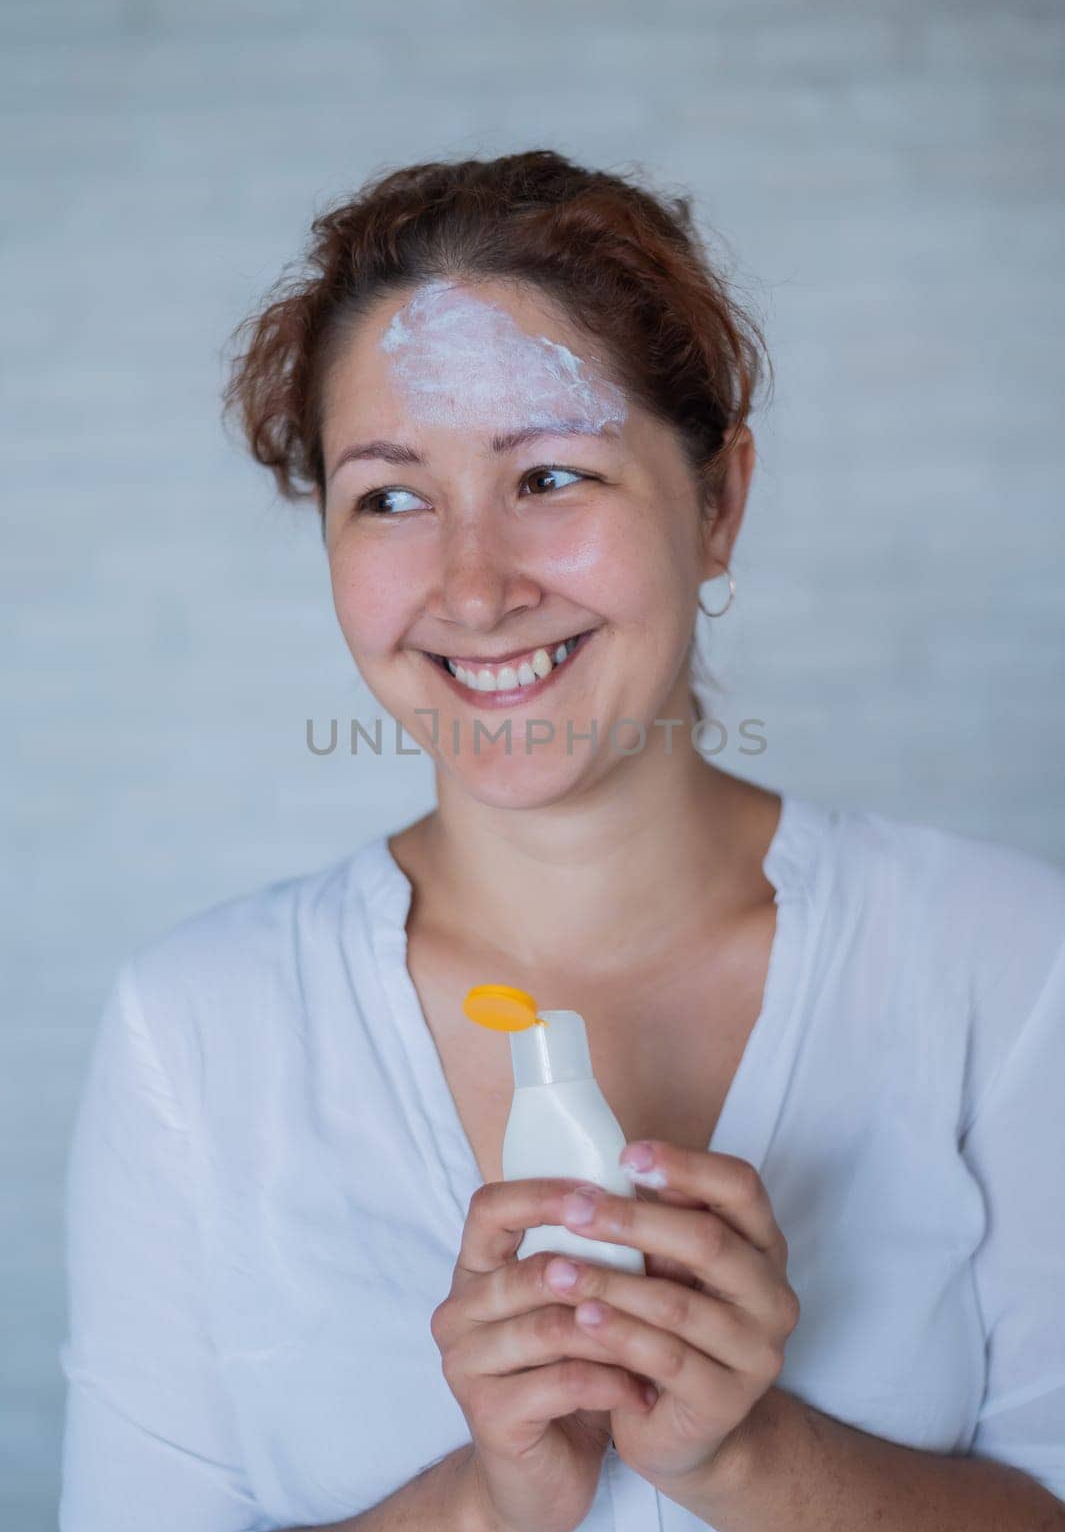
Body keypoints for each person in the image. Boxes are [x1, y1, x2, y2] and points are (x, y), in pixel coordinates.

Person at [58, 150, 1065, 1531]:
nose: (474, 588)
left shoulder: (1009, 964)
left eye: (548, 475)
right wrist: (487, 1503)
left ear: (717, 505)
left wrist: (747, 1462)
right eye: (391, 496)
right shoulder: (197, 1031)